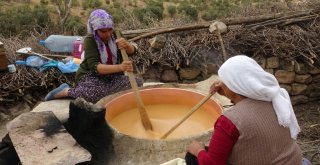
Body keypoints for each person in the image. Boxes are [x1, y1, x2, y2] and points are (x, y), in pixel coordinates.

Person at [186, 55, 303, 165]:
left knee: (192, 157)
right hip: (292, 160)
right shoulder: (274, 99)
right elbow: (245, 105)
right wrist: (227, 92)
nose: (220, 84)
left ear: (234, 86)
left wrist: (198, 150)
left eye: (224, 82)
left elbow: (212, 163)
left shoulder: (228, 121)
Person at [45, 9, 143, 103]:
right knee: (95, 94)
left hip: (112, 77)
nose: (108, 34)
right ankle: (66, 91)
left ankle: (108, 91)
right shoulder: (90, 40)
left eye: (110, 30)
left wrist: (127, 45)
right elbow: (96, 67)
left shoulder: (117, 34)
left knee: (138, 83)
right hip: (91, 76)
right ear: (94, 30)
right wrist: (120, 67)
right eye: (103, 31)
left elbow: (132, 52)